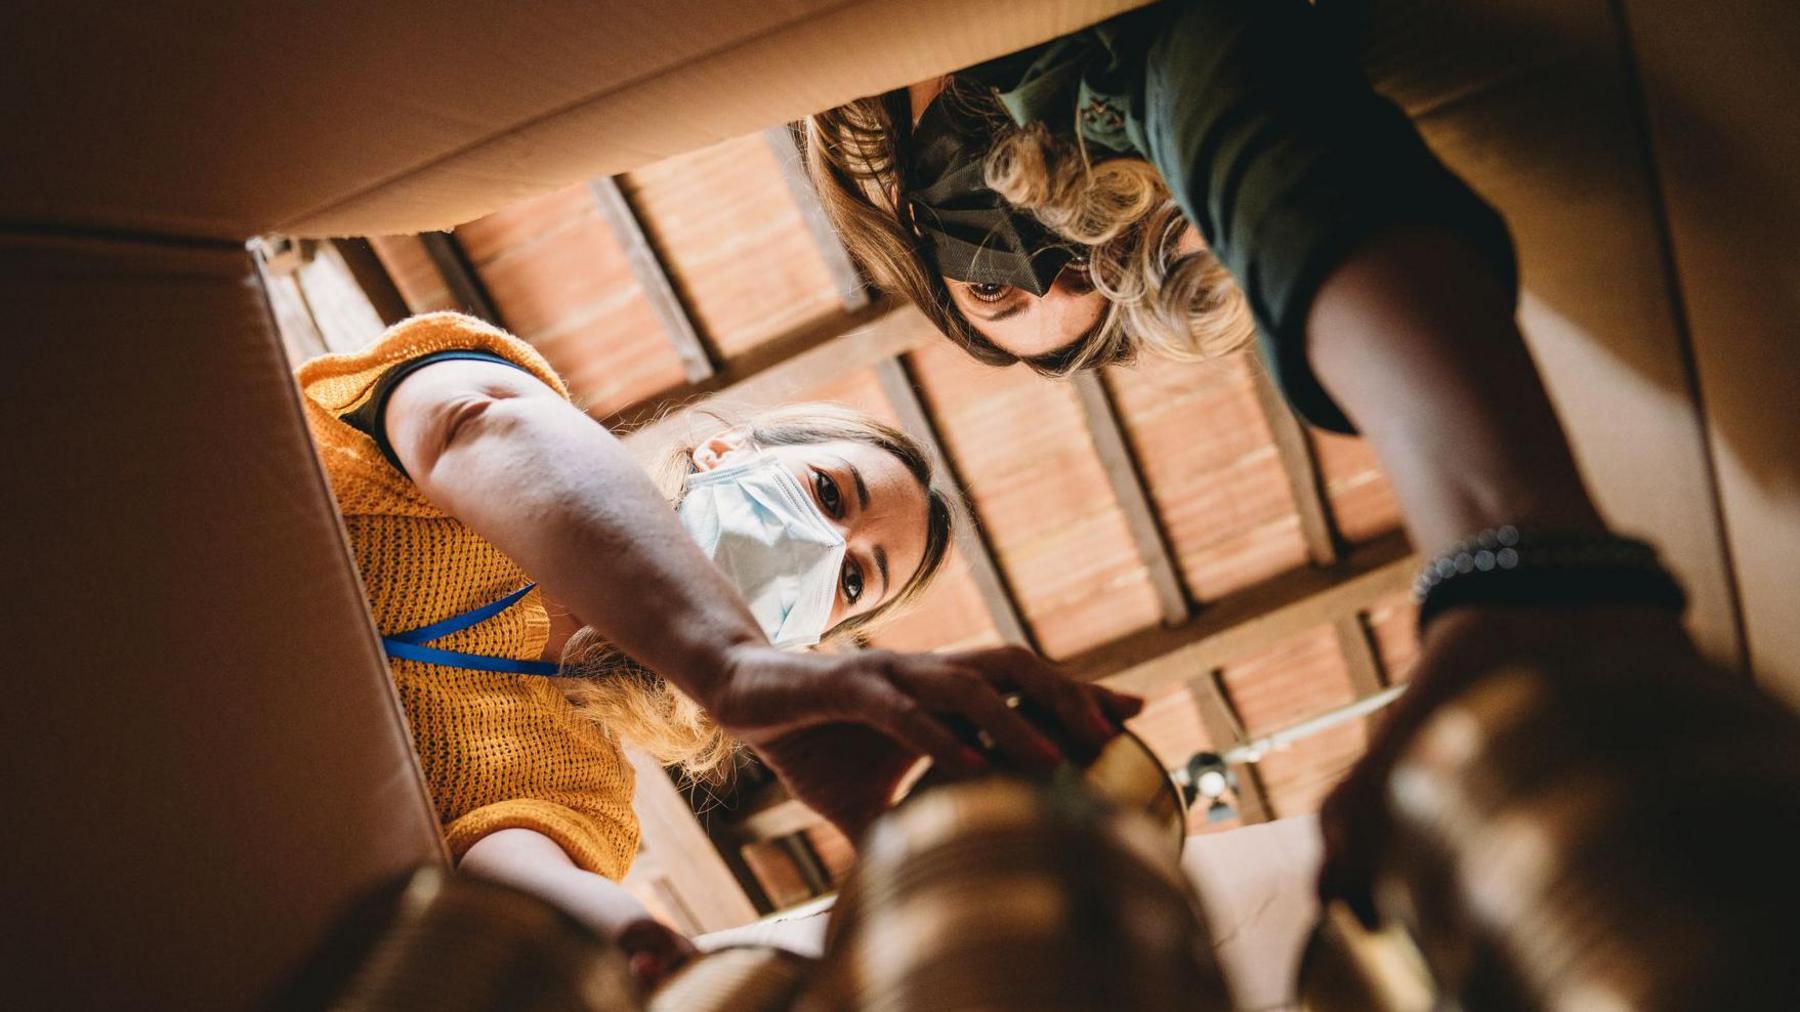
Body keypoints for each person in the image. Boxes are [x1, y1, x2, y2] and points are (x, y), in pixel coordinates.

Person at [805, 0, 1714, 936]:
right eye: (1065, 273)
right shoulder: (1137, 76)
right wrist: (1513, 563)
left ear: (913, 240)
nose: (1028, 252)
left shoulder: (806, 56)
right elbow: (1233, 112)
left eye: (992, 284)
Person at [297, 311, 1140, 985]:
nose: (823, 549)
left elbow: (512, 871)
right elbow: (469, 421)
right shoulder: (500, 403)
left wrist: (665, 958)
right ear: (724, 450)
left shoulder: (582, 786)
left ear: (810, 639)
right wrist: (725, 663)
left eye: (853, 581)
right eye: (828, 493)